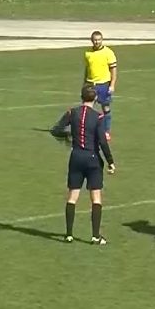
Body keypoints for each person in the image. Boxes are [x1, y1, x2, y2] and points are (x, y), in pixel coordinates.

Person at [51, 86, 115, 245]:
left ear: (81, 97)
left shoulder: (72, 113)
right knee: (96, 197)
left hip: (76, 157)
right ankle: (95, 236)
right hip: (93, 159)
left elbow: (56, 129)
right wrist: (110, 162)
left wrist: (67, 137)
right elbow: (102, 142)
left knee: (73, 196)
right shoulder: (98, 117)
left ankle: (68, 234)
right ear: (95, 99)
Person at [83, 30, 117, 140]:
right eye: (95, 40)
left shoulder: (108, 52)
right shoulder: (88, 53)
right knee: (86, 108)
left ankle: (106, 131)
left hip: (103, 84)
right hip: (90, 83)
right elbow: (87, 68)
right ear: (92, 40)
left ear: (102, 40)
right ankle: (86, 131)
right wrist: (85, 82)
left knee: (105, 108)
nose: (97, 42)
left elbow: (113, 70)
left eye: (99, 40)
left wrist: (112, 85)